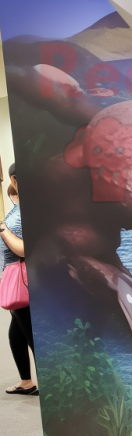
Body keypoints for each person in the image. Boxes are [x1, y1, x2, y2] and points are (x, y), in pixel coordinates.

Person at [0, 163, 37, 396]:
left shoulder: (27, 210)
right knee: (16, 333)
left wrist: (2, 229)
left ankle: (55, 390)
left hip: (22, 278)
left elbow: (23, 249)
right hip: (14, 276)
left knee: (33, 335)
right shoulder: (21, 205)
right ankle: (26, 382)